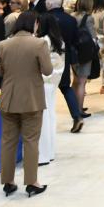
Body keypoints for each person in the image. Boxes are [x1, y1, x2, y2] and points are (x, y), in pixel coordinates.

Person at [0, 11, 51, 198]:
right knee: (31, 140)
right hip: (31, 99)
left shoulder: (3, 44)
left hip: (8, 98)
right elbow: (47, 70)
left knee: (8, 141)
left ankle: (8, 181)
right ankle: (32, 182)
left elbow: (0, 71)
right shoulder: (39, 44)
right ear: (34, 24)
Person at [48, 0, 84, 127]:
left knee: (44, 89)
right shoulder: (70, 19)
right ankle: (77, 116)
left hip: (47, 56)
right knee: (65, 87)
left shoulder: (46, 18)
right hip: (65, 56)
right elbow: (76, 40)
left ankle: (44, 122)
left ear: (49, 4)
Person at [35, 13, 69, 150]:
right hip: (53, 81)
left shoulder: (43, 41)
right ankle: (49, 149)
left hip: (43, 81)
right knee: (50, 114)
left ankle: (43, 151)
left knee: (43, 116)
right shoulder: (59, 41)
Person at [71, 0, 98, 121]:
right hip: (85, 52)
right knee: (82, 82)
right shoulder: (89, 18)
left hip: (74, 51)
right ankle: (79, 110)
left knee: (75, 80)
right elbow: (93, 37)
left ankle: (74, 107)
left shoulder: (72, 16)